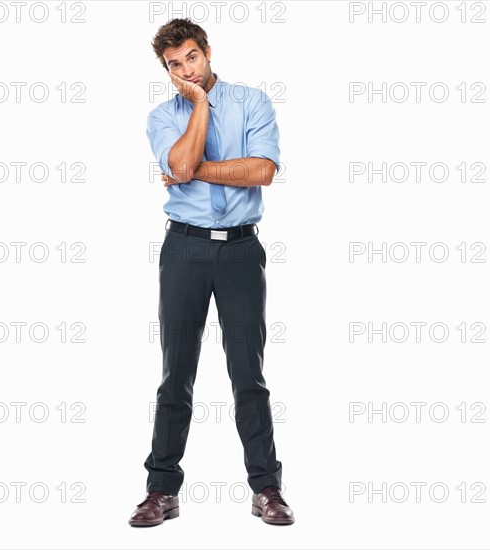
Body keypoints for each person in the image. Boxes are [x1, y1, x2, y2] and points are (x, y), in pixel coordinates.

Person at [129, 18, 294, 527]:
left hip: (242, 252)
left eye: (191, 59)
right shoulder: (163, 115)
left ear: (207, 52)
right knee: (175, 373)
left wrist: (192, 171)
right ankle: (162, 490)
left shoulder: (252, 102)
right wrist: (199, 105)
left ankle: (266, 487)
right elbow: (179, 157)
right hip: (185, 250)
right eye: (174, 65)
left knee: (249, 373)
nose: (185, 70)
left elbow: (262, 170)